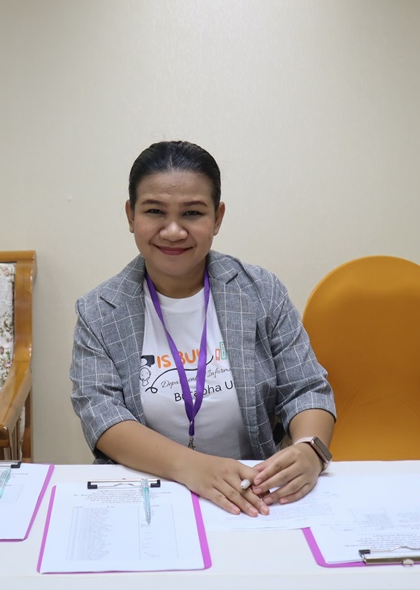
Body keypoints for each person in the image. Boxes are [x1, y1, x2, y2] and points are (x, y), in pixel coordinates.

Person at [70, 140, 335, 517]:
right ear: (130, 215)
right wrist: (192, 467)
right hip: (149, 496)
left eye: (192, 213)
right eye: (154, 211)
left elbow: (306, 387)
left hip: (254, 495)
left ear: (217, 217)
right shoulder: (99, 310)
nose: (173, 231)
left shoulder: (261, 292)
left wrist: (310, 449)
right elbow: (101, 413)